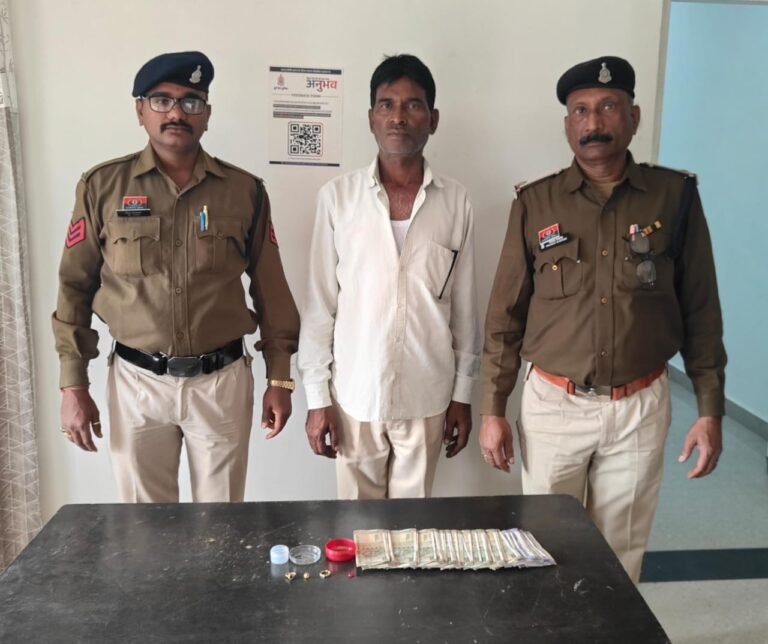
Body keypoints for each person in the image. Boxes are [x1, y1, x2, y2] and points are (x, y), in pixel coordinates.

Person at [478, 55, 726, 582]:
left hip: (639, 406)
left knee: (620, 554)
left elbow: (701, 308)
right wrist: (493, 407)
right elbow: (505, 316)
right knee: (545, 548)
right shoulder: (535, 203)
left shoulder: (674, 196)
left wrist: (709, 409)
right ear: (567, 124)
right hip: (553, 405)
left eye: (609, 107)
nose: (594, 122)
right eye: (581, 110)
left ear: (633, 117)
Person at [53, 51, 300, 503]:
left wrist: (279, 379)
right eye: (162, 100)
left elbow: (272, 289)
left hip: (221, 383)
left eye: (191, 102)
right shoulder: (102, 187)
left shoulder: (243, 190)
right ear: (140, 110)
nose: (176, 113)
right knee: (145, 528)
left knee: (221, 526)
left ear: (206, 114)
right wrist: (73, 383)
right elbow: (74, 286)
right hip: (137, 384)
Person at [298, 54, 480, 499]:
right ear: (371, 118)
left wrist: (463, 394)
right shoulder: (338, 199)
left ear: (433, 119)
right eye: (386, 104)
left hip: (428, 396)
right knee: (357, 529)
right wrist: (317, 399)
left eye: (413, 105)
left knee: (412, 530)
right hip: (354, 397)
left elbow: (464, 310)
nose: (399, 117)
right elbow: (320, 306)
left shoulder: (456, 202)